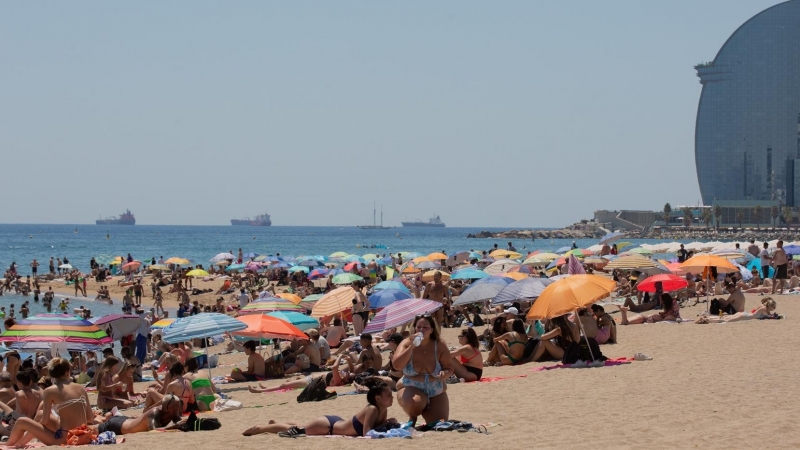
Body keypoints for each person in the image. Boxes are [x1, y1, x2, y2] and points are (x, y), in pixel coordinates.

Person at [242, 377, 395, 437]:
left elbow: (376, 427)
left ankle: (275, 423)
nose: (392, 396)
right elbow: (367, 433)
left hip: (335, 423)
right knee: (296, 430)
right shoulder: (372, 409)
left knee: (300, 426)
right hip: (328, 426)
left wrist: (386, 423)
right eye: (388, 394)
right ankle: (260, 428)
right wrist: (386, 425)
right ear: (378, 398)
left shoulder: (382, 409)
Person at [4, 358, 94, 447]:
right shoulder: (81, 388)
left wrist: (33, 428)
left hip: (66, 438)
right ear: (67, 372)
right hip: (83, 434)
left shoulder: (50, 390)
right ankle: (20, 442)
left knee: (22, 421)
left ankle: (10, 444)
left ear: (51, 374)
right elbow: (90, 418)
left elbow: (45, 421)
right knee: (40, 413)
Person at [392, 314, 452, 425]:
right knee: (416, 402)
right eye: (418, 327)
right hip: (412, 386)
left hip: (435, 389)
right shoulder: (406, 343)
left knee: (439, 424)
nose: (421, 330)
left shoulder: (439, 345)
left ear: (432, 330)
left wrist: (445, 374)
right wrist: (411, 348)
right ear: (414, 328)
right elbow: (397, 365)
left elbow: (449, 368)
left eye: (425, 327)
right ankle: (412, 417)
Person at [91, 393, 184, 435]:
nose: (179, 409)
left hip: (125, 420)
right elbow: (153, 431)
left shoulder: (171, 413)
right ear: (171, 410)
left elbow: (180, 422)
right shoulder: (155, 413)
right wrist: (173, 428)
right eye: (178, 407)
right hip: (117, 426)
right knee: (88, 429)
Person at [698, 297, 779, 323]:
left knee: (725, 318)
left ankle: (708, 318)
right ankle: (708, 320)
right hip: (746, 316)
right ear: (770, 306)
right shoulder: (763, 308)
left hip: (745, 314)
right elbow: (756, 315)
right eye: (773, 307)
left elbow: (753, 311)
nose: (773, 309)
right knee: (726, 320)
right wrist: (769, 316)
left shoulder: (762, 306)